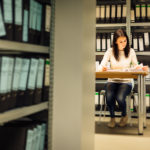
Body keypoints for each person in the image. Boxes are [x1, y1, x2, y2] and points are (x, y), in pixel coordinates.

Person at [98, 28, 149, 128]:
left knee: (120, 98)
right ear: (115, 42)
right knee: (109, 97)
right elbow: (100, 66)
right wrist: (102, 68)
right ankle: (112, 118)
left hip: (126, 81)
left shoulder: (131, 51)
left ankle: (124, 115)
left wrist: (140, 67)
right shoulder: (110, 51)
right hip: (112, 80)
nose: (123, 43)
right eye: (121, 41)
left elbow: (136, 66)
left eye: (125, 41)